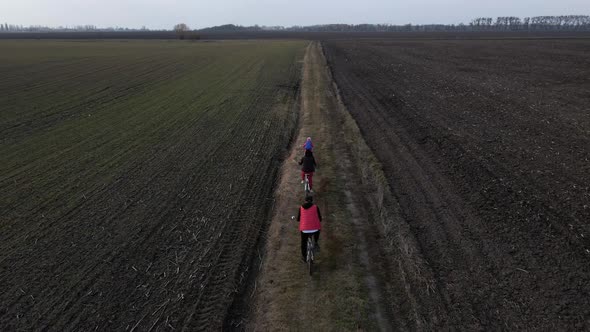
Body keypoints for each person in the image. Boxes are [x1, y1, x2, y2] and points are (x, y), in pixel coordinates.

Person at [297, 195, 322, 262]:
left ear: (305, 201)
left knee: (303, 243)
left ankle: (304, 257)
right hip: (314, 229)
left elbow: (298, 219)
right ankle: (316, 242)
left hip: (304, 230)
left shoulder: (301, 208)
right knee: (318, 230)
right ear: (312, 200)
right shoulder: (316, 207)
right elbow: (320, 218)